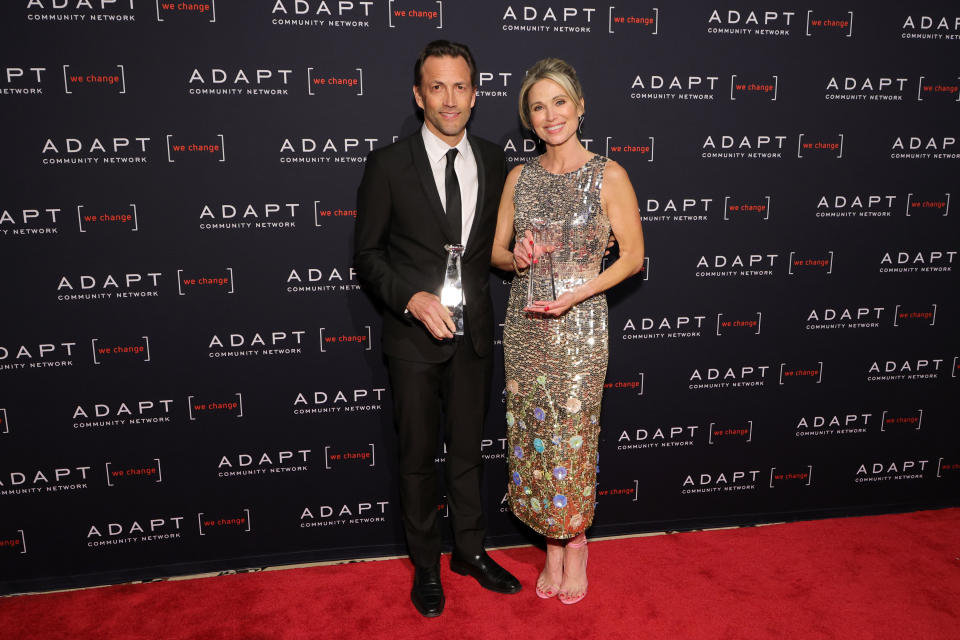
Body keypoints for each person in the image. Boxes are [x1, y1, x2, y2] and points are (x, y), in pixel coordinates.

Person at [354, 40, 521, 618]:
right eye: (436, 87)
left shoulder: (497, 161)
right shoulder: (387, 165)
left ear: (475, 95)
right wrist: (411, 298)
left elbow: (495, 250)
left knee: (469, 453)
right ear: (418, 94)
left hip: (475, 333)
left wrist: (520, 253)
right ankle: (426, 566)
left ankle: (469, 552)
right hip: (412, 339)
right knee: (419, 456)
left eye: (459, 87)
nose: (449, 100)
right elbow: (368, 255)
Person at [490, 58, 645, 605]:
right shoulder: (519, 176)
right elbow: (496, 252)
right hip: (527, 322)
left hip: (579, 326)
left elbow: (633, 258)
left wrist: (580, 291)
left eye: (560, 102)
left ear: (579, 107)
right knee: (533, 434)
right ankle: (551, 543)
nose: (550, 114)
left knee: (572, 436)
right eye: (538, 106)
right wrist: (519, 256)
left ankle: (575, 541)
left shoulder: (610, 175)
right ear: (528, 120)